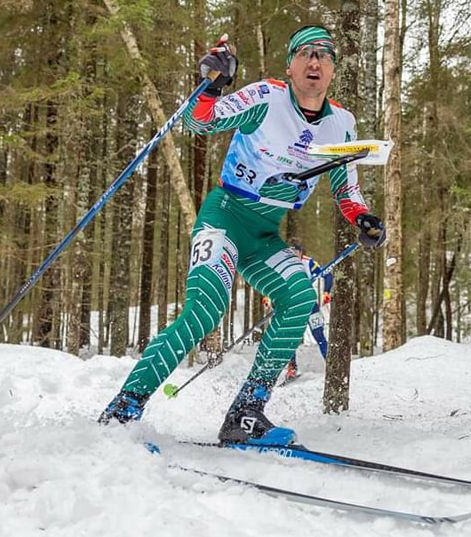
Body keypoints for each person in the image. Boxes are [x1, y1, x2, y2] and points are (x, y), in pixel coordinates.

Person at [99, 25, 386, 447]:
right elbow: (199, 122)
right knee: (205, 310)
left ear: (332, 70)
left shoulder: (342, 124)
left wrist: (363, 219)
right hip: (226, 218)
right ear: (289, 67)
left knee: (299, 299)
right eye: (305, 53)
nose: (314, 62)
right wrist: (212, 83)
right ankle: (123, 410)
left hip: (265, 234)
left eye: (324, 55)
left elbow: (347, 189)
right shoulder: (266, 97)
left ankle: (245, 414)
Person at [262, 240, 332, 382]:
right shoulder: (280, 265)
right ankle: (292, 368)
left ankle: (332, 366)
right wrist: (268, 297)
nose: (293, 256)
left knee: (319, 335)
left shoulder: (309, 263)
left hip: (309, 304)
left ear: (301, 253)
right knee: (289, 337)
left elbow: (327, 275)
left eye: (296, 252)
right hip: (290, 306)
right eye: (290, 253)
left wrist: (326, 292)